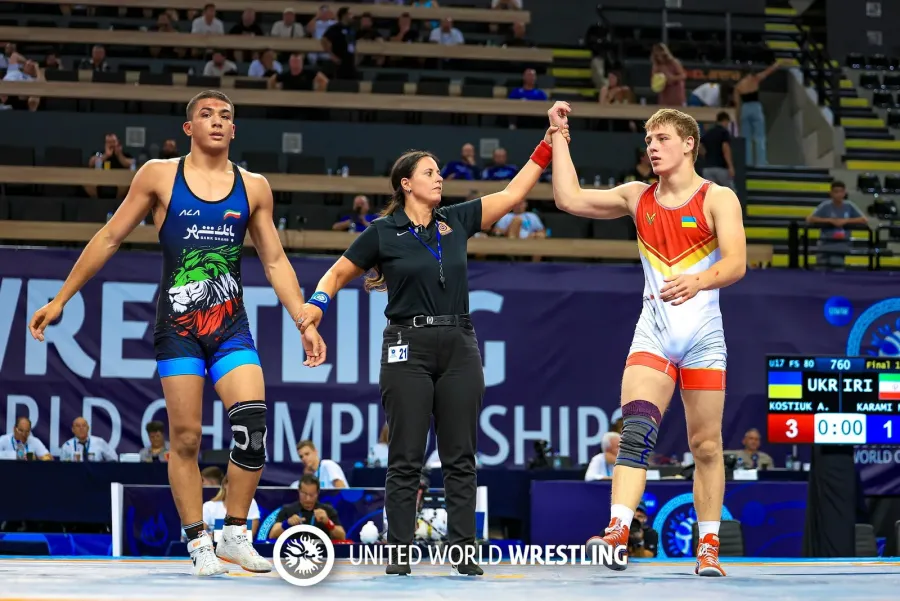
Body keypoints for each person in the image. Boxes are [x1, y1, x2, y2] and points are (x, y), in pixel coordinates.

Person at [27, 90, 326, 577]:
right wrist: (61, 299)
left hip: (231, 327)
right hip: (179, 328)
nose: (216, 121)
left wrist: (303, 321)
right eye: (206, 114)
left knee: (252, 428)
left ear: (233, 130)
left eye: (225, 116)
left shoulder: (254, 187)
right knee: (186, 439)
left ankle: (235, 534)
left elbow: (274, 260)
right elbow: (110, 236)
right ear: (189, 128)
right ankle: (198, 542)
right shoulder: (159, 175)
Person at [294, 106, 570, 576]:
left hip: (460, 342)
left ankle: (463, 552)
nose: (439, 177)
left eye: (440, 171)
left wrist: (547, 143)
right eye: (429, 172)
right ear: (406, 184)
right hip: (407, 345)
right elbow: (337, 273)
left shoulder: (456, 221)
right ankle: (399, 554)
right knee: (405, 457)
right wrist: (316, 307)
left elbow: (513, 193)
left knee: (461, 456)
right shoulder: (383, 232)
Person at [548, 104, 747, 577]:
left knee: (706, 446)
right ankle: (617, 531)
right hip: (654, 335)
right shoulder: (637, 196)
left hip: (703, 340)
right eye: (648, 140)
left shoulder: (718, 198)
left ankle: (708, 547)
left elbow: (737, 263)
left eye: (661, 139)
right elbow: (568, 199)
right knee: (635, 433)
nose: (652, 147)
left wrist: (698, 281)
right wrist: (558, 136)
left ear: (689, 144)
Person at [733, 60, 783, 166]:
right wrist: (776, 65)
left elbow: (737, 105)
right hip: (755, 107)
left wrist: (737, 120)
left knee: (747, 139)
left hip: (745, 109)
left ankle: (748, 163)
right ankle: (761, 162)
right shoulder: (755, 79)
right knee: (760, 137)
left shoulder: (738, 86)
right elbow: (768, 72)